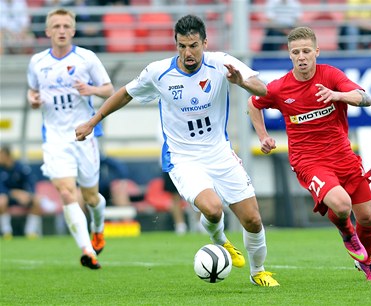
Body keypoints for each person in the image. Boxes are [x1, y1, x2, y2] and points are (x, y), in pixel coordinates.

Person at [76, 14, 279, 286]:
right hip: (183, 158)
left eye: (193, 45)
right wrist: (93, 121)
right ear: (176, 44)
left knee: (253, 219)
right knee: (213, 208)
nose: (188, 52)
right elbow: (124, 93)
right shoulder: (158, 72)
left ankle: (258, 272)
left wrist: (240, 80)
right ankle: (221, 241)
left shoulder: (221, 63)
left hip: (219, 153)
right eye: (182, 46)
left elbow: (262, 89)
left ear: (205, 43)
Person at [247, 26, 371, 281]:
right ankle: (346, 234)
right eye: (296, 52)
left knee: (367, 216)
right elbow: (253, 103)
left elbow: (365, 98)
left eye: (306, 51)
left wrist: (337, 95)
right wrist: (263, 135)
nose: (301, 56)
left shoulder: (330, 76)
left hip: (343, 155)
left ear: (316, 52)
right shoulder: (279, 88)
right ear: (289, 55)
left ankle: (367, 260)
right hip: (309, 161)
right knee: (342, 206)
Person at [27, 8, 115, 269]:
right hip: (54, 138)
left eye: (66, 26)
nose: (61, 30)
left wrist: (91, 89)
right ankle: (87, 250)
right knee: (66, 192)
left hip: (83, 135)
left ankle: (98, 227)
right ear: (47, 31)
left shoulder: (87, 59)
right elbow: (33, 92)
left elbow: (109, 89)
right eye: (56, 26)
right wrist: (32, 100)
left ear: (73, 30)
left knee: (91, 197)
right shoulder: (37, 63)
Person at [0, 145, 42, 239]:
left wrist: (28, 194)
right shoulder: (0, 169)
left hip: (23, 197)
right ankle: (6, 232)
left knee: (37, 201)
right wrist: (14, 193)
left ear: (7, 156)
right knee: (1, 201)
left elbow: (31, 183)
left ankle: (31, 232)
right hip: (8, 197)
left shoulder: (21, 167)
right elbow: (1, 188)